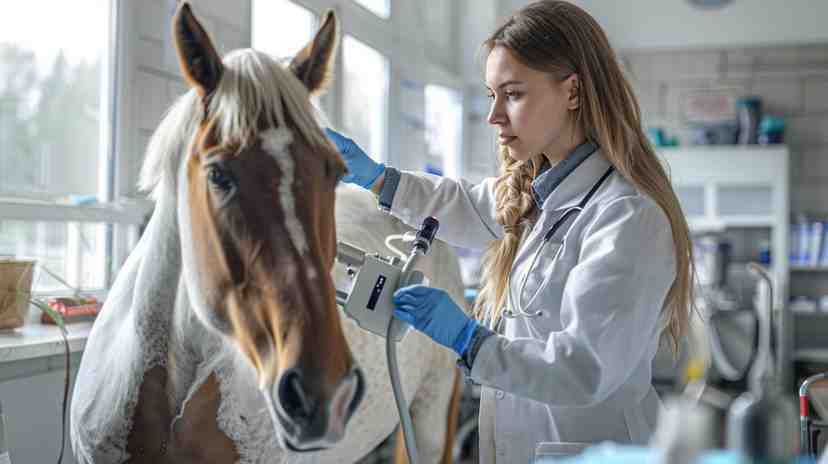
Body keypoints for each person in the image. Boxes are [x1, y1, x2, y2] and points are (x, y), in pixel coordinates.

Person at [326, 1, 694, 462]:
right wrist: (377, 177)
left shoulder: (627, 215)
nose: (493, 115)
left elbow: (582, 370)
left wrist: (468, 339)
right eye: (490, 95)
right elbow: (460, 204)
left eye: (513, 94)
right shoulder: (542, 194)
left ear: (574, 92)